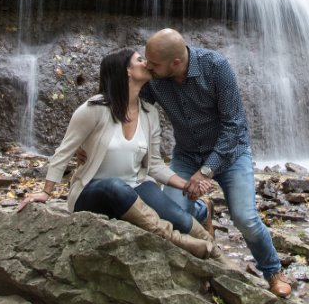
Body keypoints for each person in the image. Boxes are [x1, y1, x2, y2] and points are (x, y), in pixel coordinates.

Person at [18, 48, 225, 262]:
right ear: (126, 70)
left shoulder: (149, 113)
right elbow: (64, 151)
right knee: (114, 187)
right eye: (140, 60)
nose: (147, 63)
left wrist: (187, 185)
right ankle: (192, 246)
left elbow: (154, 165)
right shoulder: (94, 109)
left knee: (178, 216)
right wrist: (46, 192)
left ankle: (217, 254)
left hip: (135, 187)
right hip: (93, 192)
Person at [142, 28, 293, 297]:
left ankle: (273, 271)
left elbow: (234, 124)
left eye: (153, 64)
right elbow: (127, 103)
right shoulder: (155, 77)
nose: (147, 67)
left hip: (232, 154)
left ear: (175, 63)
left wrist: (206, 171)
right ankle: (202, 212)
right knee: (172, 216)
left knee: (244, 217)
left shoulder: (215, 67)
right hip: (187, 155)